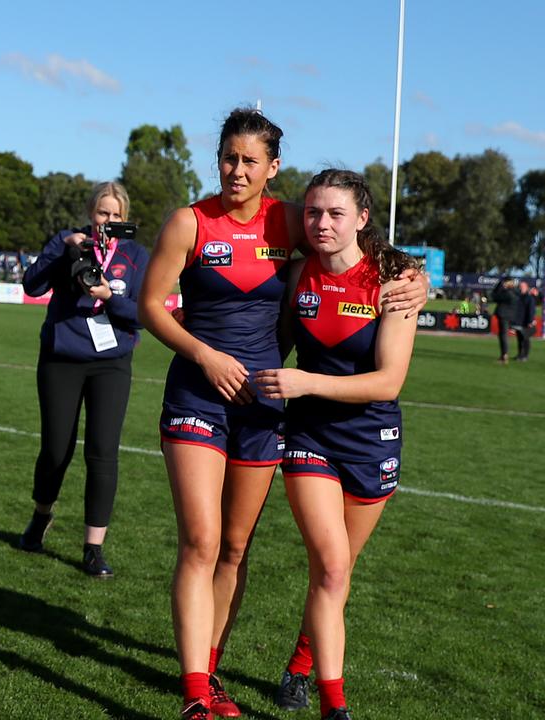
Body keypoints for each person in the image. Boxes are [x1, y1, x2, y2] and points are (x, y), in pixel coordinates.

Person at [137, 109, 426, 719]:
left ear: (273, 168)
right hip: (197, 393)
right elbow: (151, 306)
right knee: (201, 539)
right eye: (228, 157)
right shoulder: (189, 222)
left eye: (250, 161)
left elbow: (354, 240)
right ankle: (194, 695)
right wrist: (204, 355)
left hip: (263, 406)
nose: (236, 170)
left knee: (236, 548)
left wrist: (413, 277)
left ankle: (211, 674)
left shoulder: (291, 218)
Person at [255, 169, 420, 720]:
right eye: (313, 213)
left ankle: (299, 666)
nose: (322, 223)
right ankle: (335, 706)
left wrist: (305, 382)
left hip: (372, 440)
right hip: (309, 437)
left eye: (336, 214)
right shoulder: (297, 272)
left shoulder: (393, 280)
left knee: (338, 572)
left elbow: (388, 381)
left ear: (363, 219)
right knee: (329, 567)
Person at [16, 181, 148, 578]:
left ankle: (94, 547)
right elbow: (31, 285)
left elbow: (142, 313)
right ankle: (41, 516)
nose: (109, 221)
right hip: (62, 358)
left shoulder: (136, 255)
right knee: (56, 450)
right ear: (92, 214)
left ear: (125, 218)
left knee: (102, 452)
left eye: (116, 215)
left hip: (111, 363)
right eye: (103, 213)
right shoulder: (70, 244)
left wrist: (110, 296)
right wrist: (62, 244)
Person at [491, 277, 518, 365]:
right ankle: (504, 355)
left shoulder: (508, 293)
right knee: (503, 335)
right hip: (509, 315)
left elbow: (494, 296)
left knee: (503, 335)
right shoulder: (514, 292)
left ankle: (504, 355)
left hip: (504, 315)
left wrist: (499, 285)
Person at [513, 279, 536, 361]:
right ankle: (520, 354)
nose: (520, 288)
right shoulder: (518, 297)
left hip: (526, 322)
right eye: (520, 287)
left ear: (526, 288)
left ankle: (525, 355)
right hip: (518, 322)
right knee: (519, 339)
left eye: (522, 287)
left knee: (525, 339)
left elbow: (531, 311)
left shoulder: (529, 298)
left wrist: (530, 321)